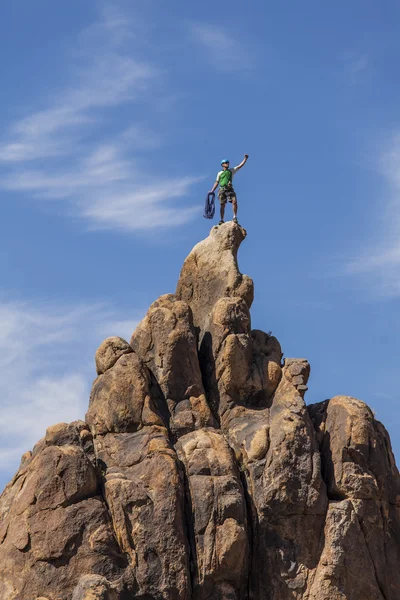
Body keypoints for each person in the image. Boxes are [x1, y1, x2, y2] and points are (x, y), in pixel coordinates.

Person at [209, 154, 249, 225]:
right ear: (222, 164)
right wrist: (212, 190)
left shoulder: (231, 171)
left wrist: (245, 159)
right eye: (226, 163)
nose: (228, 164)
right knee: (222, 204)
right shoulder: (219, 173)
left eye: (228, 162)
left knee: (234, 201)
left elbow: (240, 166)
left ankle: (234, 216)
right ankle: (222, 219)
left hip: (229, 188)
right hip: (222, 189)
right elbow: (217, 182)